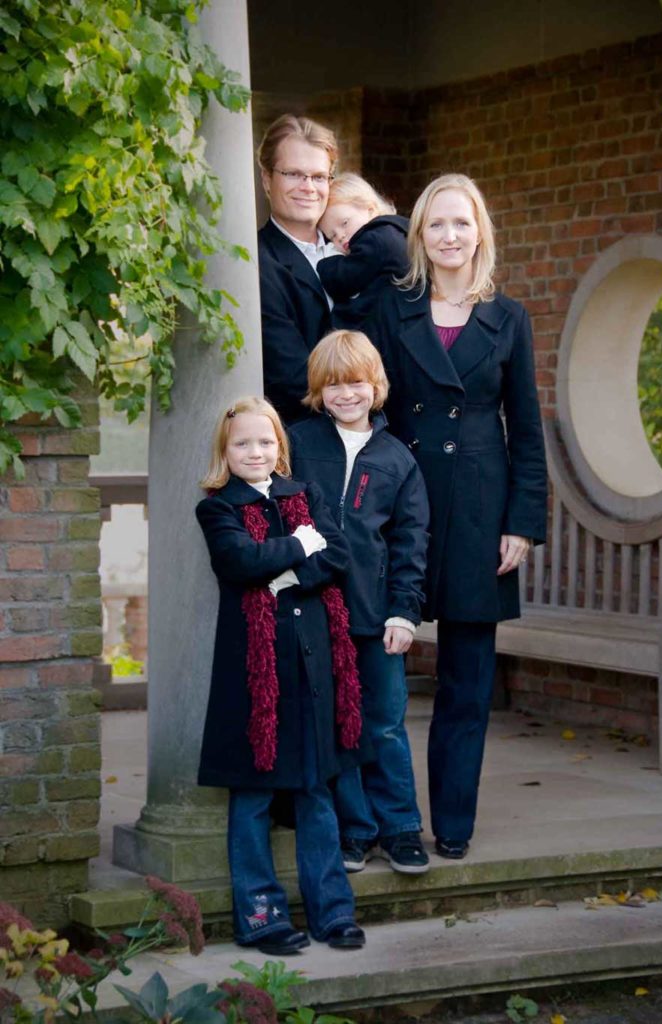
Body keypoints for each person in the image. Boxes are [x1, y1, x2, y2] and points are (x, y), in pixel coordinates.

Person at [368, 174, 547, 860]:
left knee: (467, 681)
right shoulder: (390, 308)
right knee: (381, 674)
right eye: (435, 224)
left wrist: (522, 523)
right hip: (404, 505)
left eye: (460, 223)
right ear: (418, 235)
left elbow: (526, 430)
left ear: (480, 233)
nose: (449, 236)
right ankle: (383, 821)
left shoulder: (509, 318)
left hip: (479, 508)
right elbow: (371, 405)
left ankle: (452, 823)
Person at [195, 396, 366, 953]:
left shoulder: (306, 495)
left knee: (317, 790)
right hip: (256, 676)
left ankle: (332, 912)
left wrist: (285, 572)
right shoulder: (217, 508)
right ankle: (262, 916)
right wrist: (298, 546)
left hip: (315, 666)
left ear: (280, 446)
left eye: (265, 441)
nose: (255, 451)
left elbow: (337, 553)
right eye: (243, 443)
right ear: (226, 450)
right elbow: (239, 562)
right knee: (253, 796)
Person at [288, 330, 430, 875]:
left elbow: (410, 542)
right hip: (316, 609)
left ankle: (401, 828)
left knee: (385, 722)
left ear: (375, 385)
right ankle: (354, 830)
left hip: (377, 617)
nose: (345, 394)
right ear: (318, 391)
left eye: (356, 383)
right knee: (332, 723)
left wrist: (404, 611)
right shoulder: (298, 443)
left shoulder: (398, 459)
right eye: (333, 385)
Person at [257, 114, 338, 424]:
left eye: (319, 177)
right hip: (304, 444)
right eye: (293, 174)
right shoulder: (258, 266)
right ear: (267, 179)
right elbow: (291, 375)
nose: (308, 187)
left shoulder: (353, 250)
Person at [317, 173, 409, 329]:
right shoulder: (396, 232)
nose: (340, 236)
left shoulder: (376, 240)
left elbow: (343, 279)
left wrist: (325, 264)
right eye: (332, 236)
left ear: (370, 209)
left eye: (344, 223)